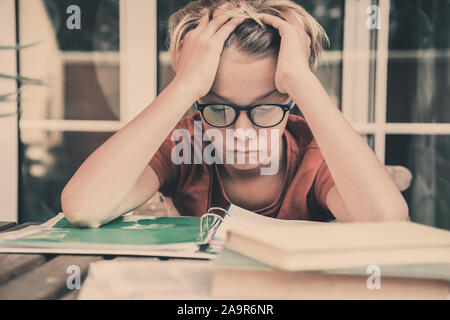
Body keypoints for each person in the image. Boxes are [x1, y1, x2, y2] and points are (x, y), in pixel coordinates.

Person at [61, 0, 408, 228]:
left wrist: (302, 79)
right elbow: (84, 208)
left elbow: (387, 225)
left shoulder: (314, 154)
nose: (242, 131)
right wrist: (185, 85)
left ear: (291, 101)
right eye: (217, 107)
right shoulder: (185, 143)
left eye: (267, 107)